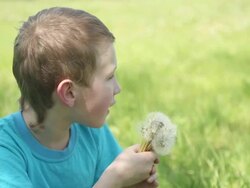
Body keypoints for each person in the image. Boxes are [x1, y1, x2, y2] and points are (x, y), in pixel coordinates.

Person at [0, 7, 159, 188]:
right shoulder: (6, 151)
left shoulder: (90, 131)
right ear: (69, 92)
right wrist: (114, 181)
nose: (118, 88)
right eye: (109, 77)